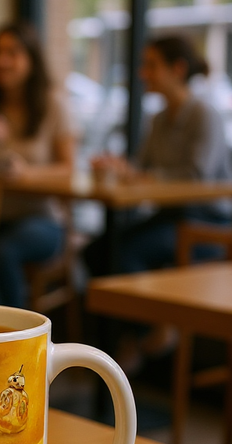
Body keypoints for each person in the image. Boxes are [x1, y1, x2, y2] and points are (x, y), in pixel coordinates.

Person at [86, 35, 232, 368]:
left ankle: (147, 333)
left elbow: (197, 178)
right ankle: (133, 340)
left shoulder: (203, 115)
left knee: (124, 254)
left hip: (207, 223)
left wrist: (144, 177)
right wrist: (121, 169)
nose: (143, 73)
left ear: (177, 69)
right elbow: (145, 170)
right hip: (169, 217)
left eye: (151, 65)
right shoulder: (159, 119)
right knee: (96, 251)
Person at [0, 21, 75, 308]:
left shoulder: (52, 106)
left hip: (42, 219)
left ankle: (16, 335)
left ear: (32, 60)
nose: (1, 61)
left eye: (12, 53)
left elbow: (69, 168)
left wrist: (27, 174)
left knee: (2, 252)